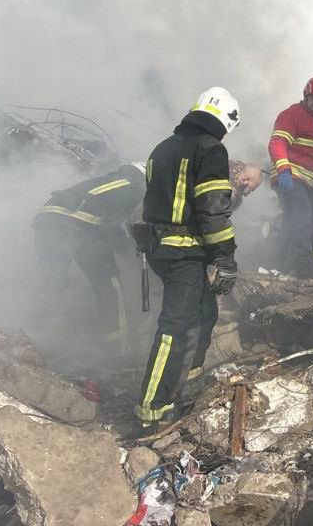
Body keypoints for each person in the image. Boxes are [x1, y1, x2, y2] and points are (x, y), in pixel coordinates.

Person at [134, 87, 240, 428]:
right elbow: (212, 211)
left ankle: (187, 382)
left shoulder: (163, 147)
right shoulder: (210, 148)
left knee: (204, 313)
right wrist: (225, 258)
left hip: (159, 250)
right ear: (225, 120)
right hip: (183, 254)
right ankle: (152, 407)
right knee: (175, 328)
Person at [33, 161, 147, 346]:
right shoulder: (136, 185)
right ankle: (117, 344)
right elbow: (112, 223)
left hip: (47, 218)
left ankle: (33, 336)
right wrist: (129, 251)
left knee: (52, 281)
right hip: (77, 226)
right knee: (109, 284)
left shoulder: (103, 181)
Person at [269, 77, 313, 275]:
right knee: (303, 218)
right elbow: (277, 143)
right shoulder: (292, 115)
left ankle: (280, 264)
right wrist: (285, 172)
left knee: (293, 221)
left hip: (306, 182)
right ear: (306, 95)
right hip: (291, 177)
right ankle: (304, 268)